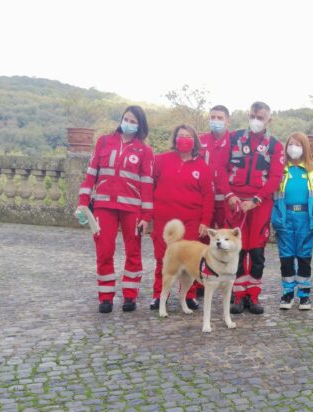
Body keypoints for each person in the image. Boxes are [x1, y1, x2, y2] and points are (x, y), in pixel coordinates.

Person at [77, 105, 153, 313]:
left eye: (133, 121)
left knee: (133, 252)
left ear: (140, 126)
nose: (128, 123)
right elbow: (91, 174)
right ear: (121, 119)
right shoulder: (104, 141)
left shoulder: (145, 151)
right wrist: (83, 201)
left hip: (132, 209)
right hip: (104, 206)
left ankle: (130, 296)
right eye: (126, 119)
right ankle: (105, 297)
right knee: (104, 250)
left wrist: (146, 216)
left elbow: (147, 185)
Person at [225, 101, 285, 315]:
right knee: (237, 251)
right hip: (235, 203)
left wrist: (257, 200)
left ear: (269, 120)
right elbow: (220, 169)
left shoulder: (275, 145)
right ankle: (238, 295)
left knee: (257, 252)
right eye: (253, 116)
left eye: (260, 117)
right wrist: (230, 195)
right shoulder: (233, 138)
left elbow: (276, 178)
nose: (256, 120)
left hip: (260, 204)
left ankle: (254, 295)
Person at [149, 125, 213, 311]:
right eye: (180, 135)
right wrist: (148, 216)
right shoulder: (160, 160)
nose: (184, 139)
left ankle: (189, 294)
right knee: (162, 258)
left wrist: (205, 221)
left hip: (191, 221)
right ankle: (159, 294)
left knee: (190, 259)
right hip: (164, 221)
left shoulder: (202, 166)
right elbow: (150, 187)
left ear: (194, 141)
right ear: (175, 138)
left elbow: (208, 195)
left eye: (188, 136)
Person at [272, 132, 313, 311]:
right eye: (291, 144)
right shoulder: (280, 169)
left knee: (304, 256)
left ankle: (304, 295)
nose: (294, 148)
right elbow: (272, 194)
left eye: (298, 144)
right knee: (286, 257)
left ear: (305, 147)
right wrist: (276, 215)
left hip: (305, 218)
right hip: (285, 217)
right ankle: (287, 293)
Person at [199, 105, 233, 229]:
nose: (215, 120)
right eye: (213, 117)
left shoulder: (234, 141)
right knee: (203, 235)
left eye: (220, 118)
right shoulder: (200, 140)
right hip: (203, 198)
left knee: (223, 238)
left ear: (228, 121)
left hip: (225, 199)